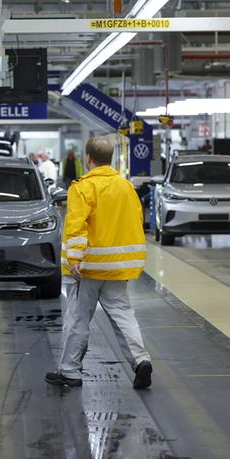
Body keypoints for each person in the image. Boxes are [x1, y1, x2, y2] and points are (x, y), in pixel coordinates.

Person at [47, 136, 153, 389]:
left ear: (88, 158)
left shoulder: (83, 188)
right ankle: (140, 360)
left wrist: (73, 259)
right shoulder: (126, 187)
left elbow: (75, 226)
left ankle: (70, 371)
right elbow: (135, 220)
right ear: (111, 158)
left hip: (89, 267)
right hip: (119, 267)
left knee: (78, 317)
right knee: (123, 315)